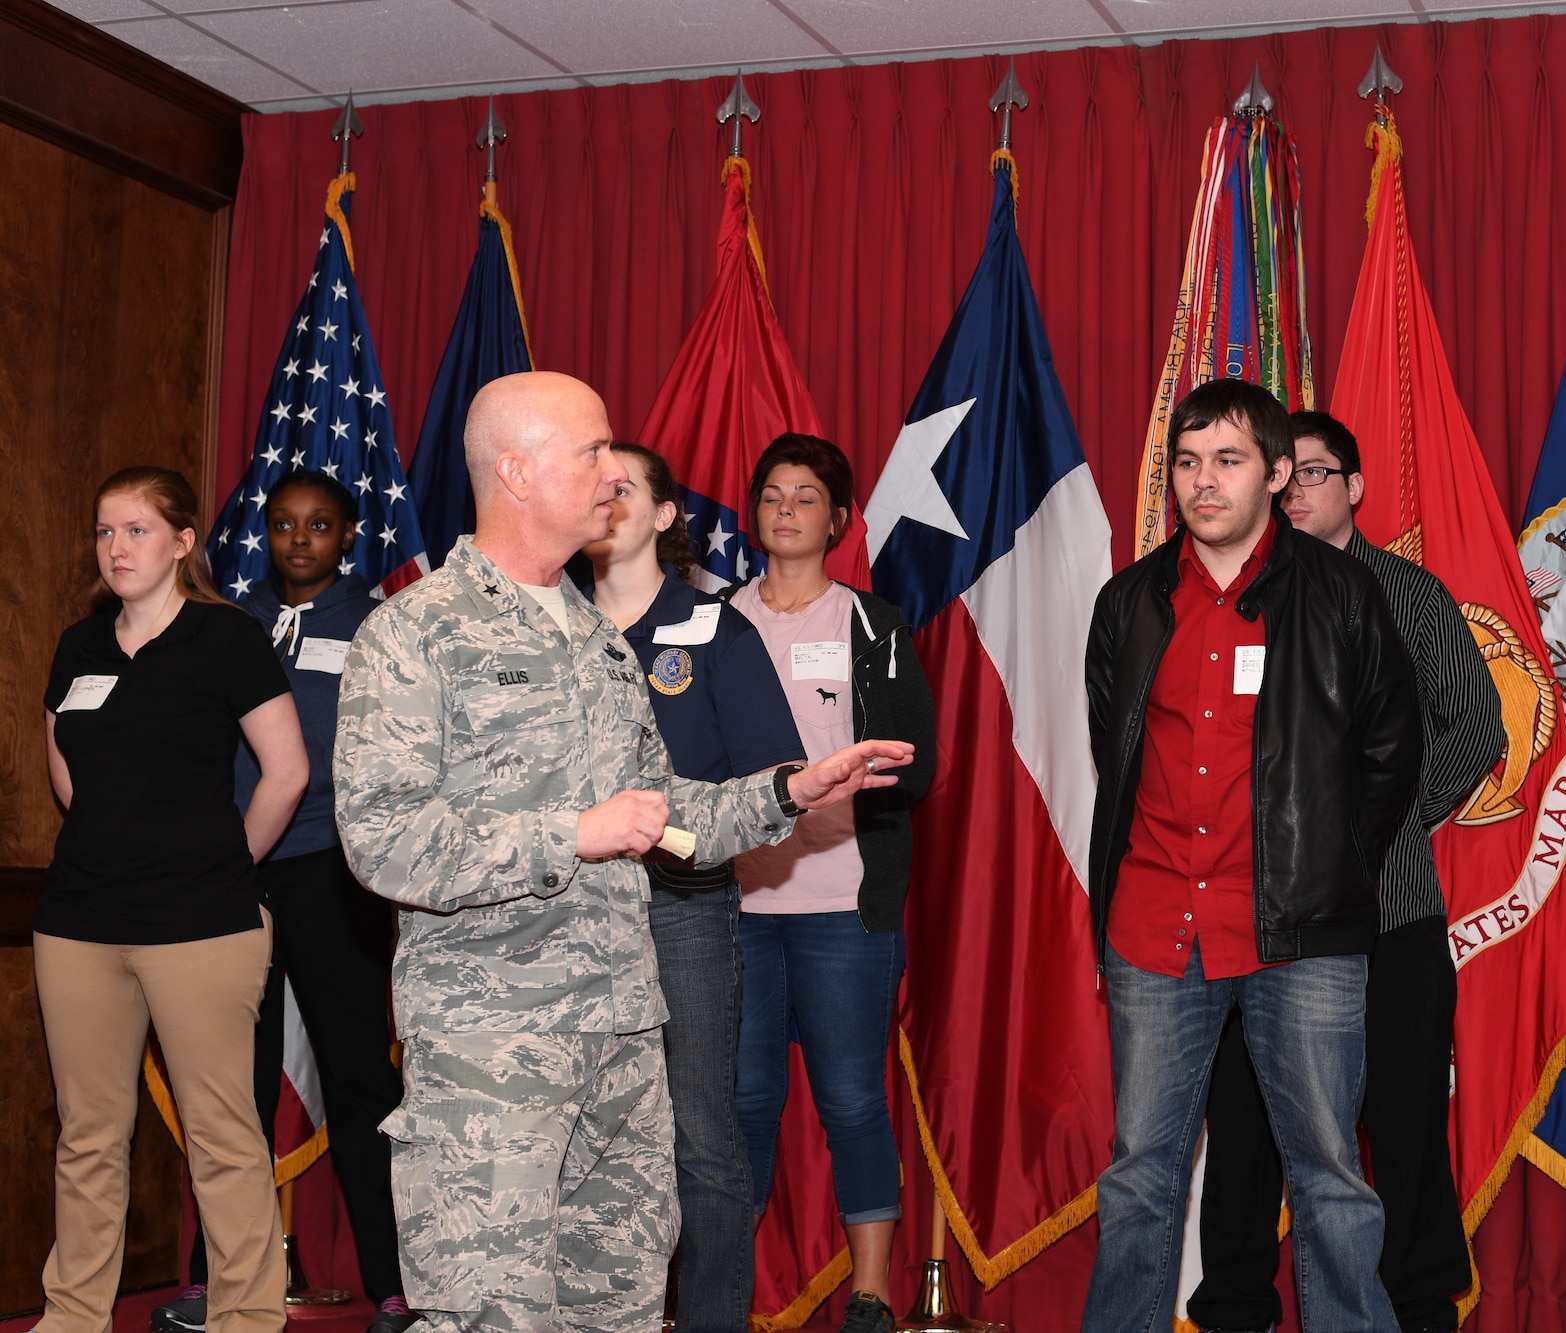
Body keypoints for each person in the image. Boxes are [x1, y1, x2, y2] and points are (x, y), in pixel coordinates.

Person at [332, 372, 913, 1333]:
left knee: (623, 1309)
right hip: (495, 1055)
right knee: (491, 1317)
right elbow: (383, 839)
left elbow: (668, 813)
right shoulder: (416, 632)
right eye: (592, 450)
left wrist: (787, 791)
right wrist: (570, 832)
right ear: (515, 472)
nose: (615, 470)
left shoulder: (599, 641)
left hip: (624, 1037)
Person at [1082, 378, 1424, 1333]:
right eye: (1188, 462)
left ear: (1276, 474)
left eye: (1228, 460)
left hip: (1304, 936)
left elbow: (1396, 745)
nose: (1204, 481)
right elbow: (1116, 743)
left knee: (1331, 1182)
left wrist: (1333, 860)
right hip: (1154, 930)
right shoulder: (1130, 601)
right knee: (1139, 1179)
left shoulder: (1344, 589)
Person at [1186, 413, 1504, 1333]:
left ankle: (1418, 1307)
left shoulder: (1408, 593)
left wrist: (1372, 824)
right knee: (1244, 1123)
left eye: (1317, 475)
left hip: (1388, 910)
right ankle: (1236, 1307)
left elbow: (1477, 725)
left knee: (1404, 1124)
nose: (1297, 494)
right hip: (1263, 917)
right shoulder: (1234, 595)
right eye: (1287, 477)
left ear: (1356, 487)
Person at [38, 466, 308, 1333]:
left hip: (201, 921)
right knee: (87, 1138)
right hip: (80, 918)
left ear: (184, 541)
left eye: (138, 530)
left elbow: (287, 771)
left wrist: (220, 861)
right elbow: (67, 771)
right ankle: (73, 1314)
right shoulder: (79, 645)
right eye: (105, 532)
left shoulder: (227, 639)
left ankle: (247, 1319)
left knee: (224, 1136)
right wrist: (119, 839)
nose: (117, 548)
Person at [153, 471, 417, 1333]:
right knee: (236, 1084)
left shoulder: (380, 625)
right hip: (234, 872)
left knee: (357, 1080)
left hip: (331, 872)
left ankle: (393, 1285)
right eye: (282, 525)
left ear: (348, 536)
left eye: (319, 525)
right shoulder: (227, 621)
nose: (298, 539)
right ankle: (218, 1280)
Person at [581, 443, 806, 1333]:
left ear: (668, 514)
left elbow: (772, 781)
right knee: (579, 1134)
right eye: (592, 487)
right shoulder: (551, 625)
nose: (605, 500)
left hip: (681, 909)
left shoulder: (713, 627)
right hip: (566, 908)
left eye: (624, 488)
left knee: (702, 1137)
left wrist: (676, 831)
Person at [727, 433, 936, 1333]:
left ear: (839, 519)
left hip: (842, 908)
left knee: (852, 1099)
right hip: (730, 909)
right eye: (772, 494)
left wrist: (854, 775)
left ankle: (871, 1296)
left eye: (805, 496)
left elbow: (916, 767)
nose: (785, 509)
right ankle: (719, 1292)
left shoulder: (871, 624)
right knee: (738, 1104)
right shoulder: (716, 621)